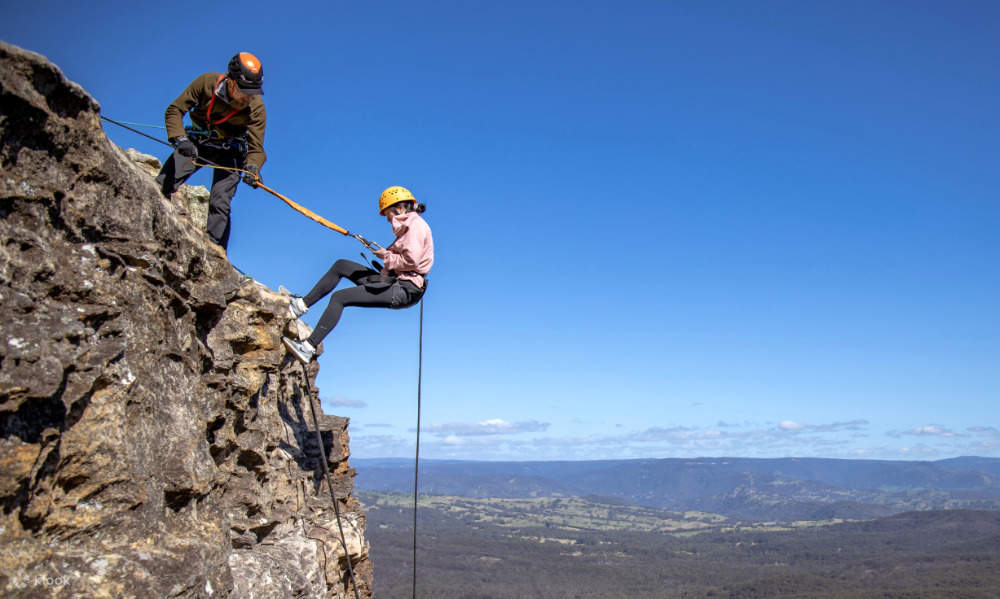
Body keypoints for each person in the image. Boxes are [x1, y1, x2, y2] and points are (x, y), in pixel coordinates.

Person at [282, 186, 434, 363]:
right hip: (398, 283)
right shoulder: (409, 226)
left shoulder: (415, 226)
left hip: (405, 289)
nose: (387, 220)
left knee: (339, 298)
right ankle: (299, 306)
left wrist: (386, 256)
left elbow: (411, 261)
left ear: (399, 208)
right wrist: (387, 257)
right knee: (342, 265)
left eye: (388, 214)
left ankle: (308, 348)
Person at [155, 52, 267, 251]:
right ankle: (151, 224)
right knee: (165, 182)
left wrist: (253, 168)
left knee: (220, 202)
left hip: (230, 152)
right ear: (230, 81)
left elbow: (256, 148)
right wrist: (180, 139)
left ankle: (216, 253)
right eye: (244, 91)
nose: (248, 97)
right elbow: (175, 110)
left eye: (253, 92)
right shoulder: (206, 83)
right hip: (197, 143)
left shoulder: (256, 107)